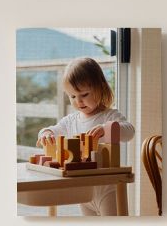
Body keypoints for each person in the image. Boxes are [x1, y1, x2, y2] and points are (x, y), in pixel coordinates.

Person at [36, 57, 134, 216]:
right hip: (83, 191)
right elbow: (53, 129)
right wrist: (46, 133)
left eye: (84, 94)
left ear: (101, 88)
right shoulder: (70, 121)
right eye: (72, 96)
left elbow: (130, 131)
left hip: (107, 188)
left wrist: (106, 129)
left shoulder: (109, 116)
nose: (78, 101)